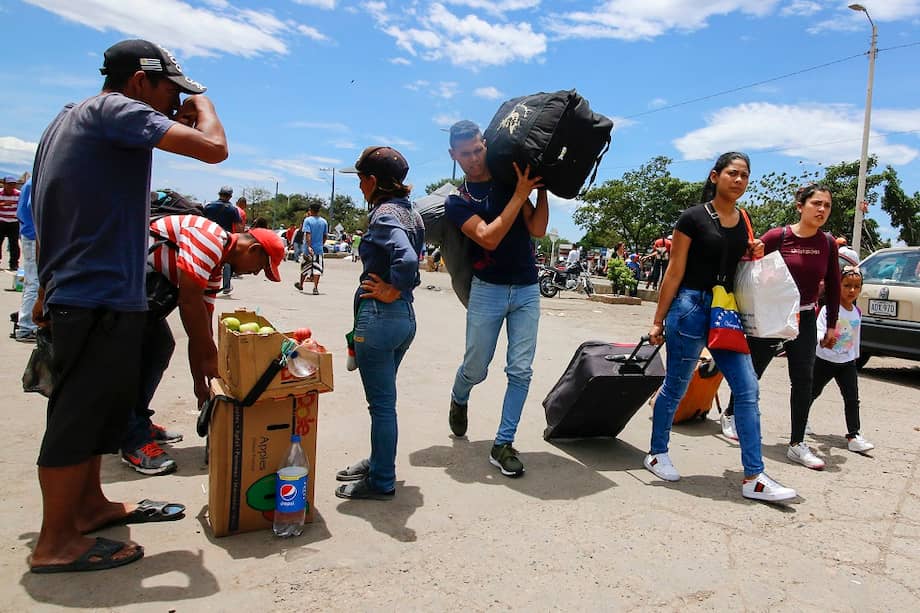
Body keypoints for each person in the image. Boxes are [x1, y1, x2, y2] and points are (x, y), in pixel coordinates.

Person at [29, 38, 227, 574]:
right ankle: (55, 543)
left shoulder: (68, 119)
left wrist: (47, 285)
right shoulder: (119, 109)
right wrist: (204, 107)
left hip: (85, 288)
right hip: (96, 291)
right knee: (75, 416)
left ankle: (89, 506)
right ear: (139, 82)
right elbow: (214, 149)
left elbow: (46, 204)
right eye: (170, 91)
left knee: (93, 409)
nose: (172, 104)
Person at [644, 151, 796, 502]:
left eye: (744, 175)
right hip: (690, 306)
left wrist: (753, 249)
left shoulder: (743, 218)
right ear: (715, 176)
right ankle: (656, 452)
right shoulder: (692, 218)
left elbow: (741, 262)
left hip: (725, 310)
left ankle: (754, 477)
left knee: (746, 388)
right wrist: (657, 321)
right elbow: (675, 272)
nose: (739, 180)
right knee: (676, 386)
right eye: (732, 173)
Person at [121, 214, 285, 475]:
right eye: (260, 267)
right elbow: (188, 301)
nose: (255, 273)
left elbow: (202, 326)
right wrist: (209, 359)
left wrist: (201, 383)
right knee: (133, 354)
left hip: (137, 292)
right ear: (253, 249)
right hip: (120, 281)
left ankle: (138, 419)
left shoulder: (216, 266)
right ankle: (131, 438)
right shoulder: (209, 239)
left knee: (160, 346)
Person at [444, 120, 548, 477]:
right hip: (486, 290)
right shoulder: (457, 201)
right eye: (465, 154)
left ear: (484, 145)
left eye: (477, 150)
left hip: (526, 289)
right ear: (453, 155)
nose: (473, 159)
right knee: (476, 367)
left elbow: (536, 229)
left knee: (520, 370)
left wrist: (541, 190)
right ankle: (460, 397)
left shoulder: (509, 180)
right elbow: (488, 237)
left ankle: (503, 442)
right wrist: (520, 196)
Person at [721, 184, 840, 471]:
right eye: (816, 204)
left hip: (805, 317)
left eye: (826, 205)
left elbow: (834, 285)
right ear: (800, 206)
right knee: (753, 372)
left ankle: (797, 444)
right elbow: (749, 264)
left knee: (803, 380)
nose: (822, 209)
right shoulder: (779, 236)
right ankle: (731, 414)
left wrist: (832, 325)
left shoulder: (828, 243)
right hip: (771, 317)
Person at [334, 146, 424, 499]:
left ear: (372, 181)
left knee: (382, 406)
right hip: (403, 320)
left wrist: (392, 288)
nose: (358, 187)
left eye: (360, 180)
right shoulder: (410, 213)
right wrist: (401, 289)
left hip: (381, 318)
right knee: (384, 402)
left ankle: (382, 480)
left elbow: (406, 258)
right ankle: (377, 460)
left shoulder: (384, 213)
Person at [811, 266, 874, 453]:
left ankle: (854, 435)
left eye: (856, 286)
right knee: (812, 392)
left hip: (847, 363)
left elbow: (856, 337)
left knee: (852, 398)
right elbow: (819, 329)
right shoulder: (829, 310)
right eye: (847, 286)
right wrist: (822, 340)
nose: (852, 290)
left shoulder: (857, 312)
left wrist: (855, 358)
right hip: (824, 360)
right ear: (838, 286)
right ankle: (801, 421)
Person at [203, 186, 241, 295]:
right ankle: (226, 286)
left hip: (207, 235)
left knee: (207, 260)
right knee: (226, 262)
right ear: (230, 196)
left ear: (219, 194)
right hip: (224, 237)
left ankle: (204, 284)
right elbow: (238, 228)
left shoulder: (209, 206)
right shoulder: (233, 209)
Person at [15, 178, 38, 342]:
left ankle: (26, 323)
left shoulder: (29, 183)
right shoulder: (36, 181)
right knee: (34, 282)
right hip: (34, 236)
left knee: (32, 281)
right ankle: (26, 326)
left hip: (29, 234)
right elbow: (33, 207)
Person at [295, 203, 328, 295]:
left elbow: (308, 234)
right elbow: (325, 235)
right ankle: (315, 288)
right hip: (319, 249)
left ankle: (301, 284)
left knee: (305, 267)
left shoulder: (308, 220)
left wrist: (309, 246)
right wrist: (321, 244)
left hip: (308, 249)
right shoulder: (324, 221)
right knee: (317, 268)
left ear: (310, 210)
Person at [0, 176, 21, 271]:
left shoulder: (18, 194)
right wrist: (3, 204)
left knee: (14, 244)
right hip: (1, 221)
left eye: (13, 184)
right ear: (4, 184)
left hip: (14, 223)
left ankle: (14, 264)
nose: (11, 186)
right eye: (9, 184)